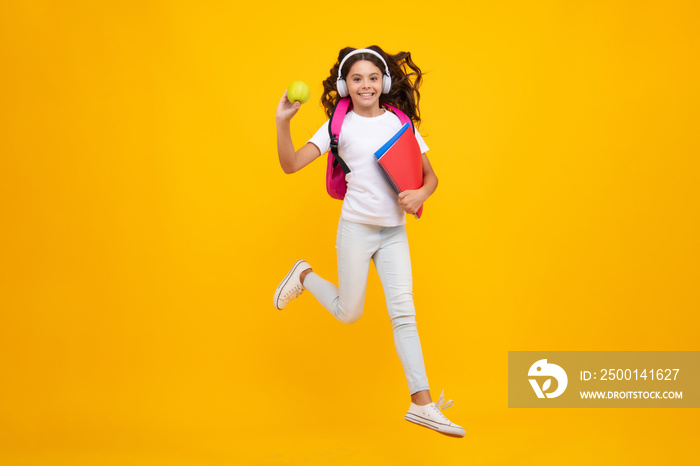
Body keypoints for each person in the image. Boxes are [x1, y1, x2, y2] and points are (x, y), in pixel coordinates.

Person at [273, 46, 465, 438]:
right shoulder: (335, 127)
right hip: (356, 230)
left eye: (373, 78)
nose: (366, 85)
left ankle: (422, 403)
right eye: (357, 78)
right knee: (349, 312)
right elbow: (290, 164)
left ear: (385, 83)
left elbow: (432, 177)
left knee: (404, 315)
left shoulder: (400, 123)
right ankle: (305, 275)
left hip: (394, 232)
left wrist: (421, 195)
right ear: (346, 85)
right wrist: (282, 123)